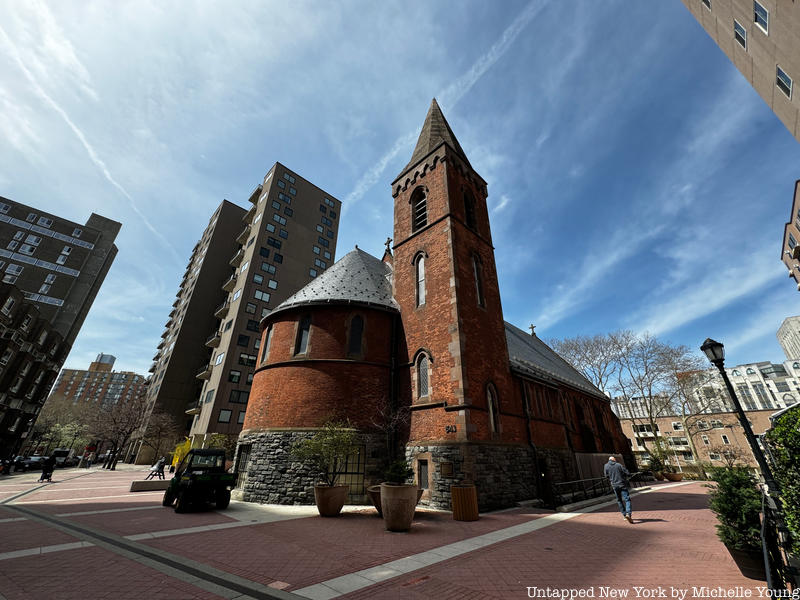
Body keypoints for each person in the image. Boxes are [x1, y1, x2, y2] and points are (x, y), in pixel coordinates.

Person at [604, 456, 633, 523]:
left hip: (614, 485)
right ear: (614, 460)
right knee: (627, 499)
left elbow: (606, 475)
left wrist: (611, 479)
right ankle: (628, 513)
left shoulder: (606, 466)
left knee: (619, 500)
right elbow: (627, 473)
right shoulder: (618, 465)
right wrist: (626, 475)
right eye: (615, 459)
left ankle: (624, 515)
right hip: (622, 484)